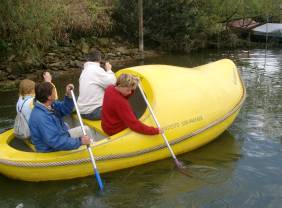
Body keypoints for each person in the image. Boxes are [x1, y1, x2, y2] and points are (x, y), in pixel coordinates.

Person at [29, 82, 91, 152]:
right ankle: (93, 152)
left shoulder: (50, 104)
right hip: (51, 150)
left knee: (86, 130)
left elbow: (65, 109)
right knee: (84, 139)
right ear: (49, 97)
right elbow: (55, 141)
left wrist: (68, 95)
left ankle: (92, 148)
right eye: (53, 91)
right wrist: (80, 141)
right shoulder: (41, 117)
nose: (55, 92)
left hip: (62, 136)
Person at [77, 50, 116, 120]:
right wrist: (109, 70)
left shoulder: (84, 71)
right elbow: (112, 83)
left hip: (82, 111)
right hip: (93, 112)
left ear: (88, 59)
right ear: (99, 59)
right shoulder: (96, 69)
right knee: (120, 108)